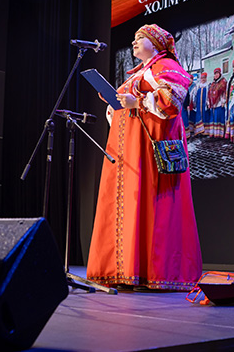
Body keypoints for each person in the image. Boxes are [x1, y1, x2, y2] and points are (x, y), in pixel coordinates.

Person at [87, 24, 202, 291]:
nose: (134, 42)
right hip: (129, 147)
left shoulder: (166, 67)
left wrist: (136, 102)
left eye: (141, 38)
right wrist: (115, 102)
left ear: (156, 43)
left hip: (149, 149)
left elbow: (171, 102)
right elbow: (124, 105)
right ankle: (124, 270)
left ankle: (155, 272)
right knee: (128, 204)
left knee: (153, 204)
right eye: (134, 38)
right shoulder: (139, 73)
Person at [205, 68, 227, 137]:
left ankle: (219, 134)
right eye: (215, 74)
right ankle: (214, 133)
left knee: (219, 118)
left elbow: (224, 92)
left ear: (220, 73)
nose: (216, 75)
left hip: (219, 104)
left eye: (217, 73)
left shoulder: (223, 82)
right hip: (213, 105)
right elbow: (209, 93)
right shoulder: (213, 83)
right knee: (213, 119)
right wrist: (209, 102)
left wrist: (223, 101)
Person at [190, 72, 209, 136]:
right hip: (198, 104)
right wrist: (194, 103)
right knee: (198, 117)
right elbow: (194, 95)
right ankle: (198, 131)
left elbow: (208, 95)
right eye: (202, 78)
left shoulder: (207, 86)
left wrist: (208, 103)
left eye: (204, 78)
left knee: (205, 116)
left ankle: (205, 131)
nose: (203, 79)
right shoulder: (197, 86)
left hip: (204, 105)